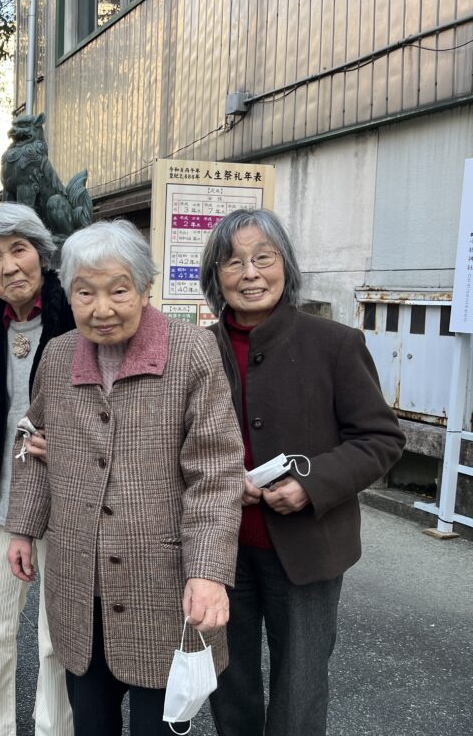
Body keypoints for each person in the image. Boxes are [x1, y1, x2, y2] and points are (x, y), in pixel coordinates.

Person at [5, 219, 245, 735]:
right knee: (89, 718)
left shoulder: (192, 352)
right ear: (68, 294)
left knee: (159, 724)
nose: (102, 309)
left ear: (144, 288)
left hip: (161, 581)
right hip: (77, 577)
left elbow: (216, 472)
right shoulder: (59, 353)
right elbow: (30, 440)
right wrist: (23, 526)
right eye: (84, 293)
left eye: (118, 290)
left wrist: (208, 571)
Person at [199, 208, 405, 736]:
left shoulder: (334, 343)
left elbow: (381, 439)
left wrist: (311, 486)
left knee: (300, 688)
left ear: (285, 267)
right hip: (218, 551)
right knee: (228, 681)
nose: (250, 274)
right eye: (233, 262)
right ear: (214, 277)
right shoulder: (196, 349)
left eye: (263, 258)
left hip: (308, 547)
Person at [0, 202, 76, 735]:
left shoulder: (77, 311)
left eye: (18, 249)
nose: (8, 266)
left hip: (68, 502)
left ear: (42, 255)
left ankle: (54, 729)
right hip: (2, 501)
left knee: (57, 638)